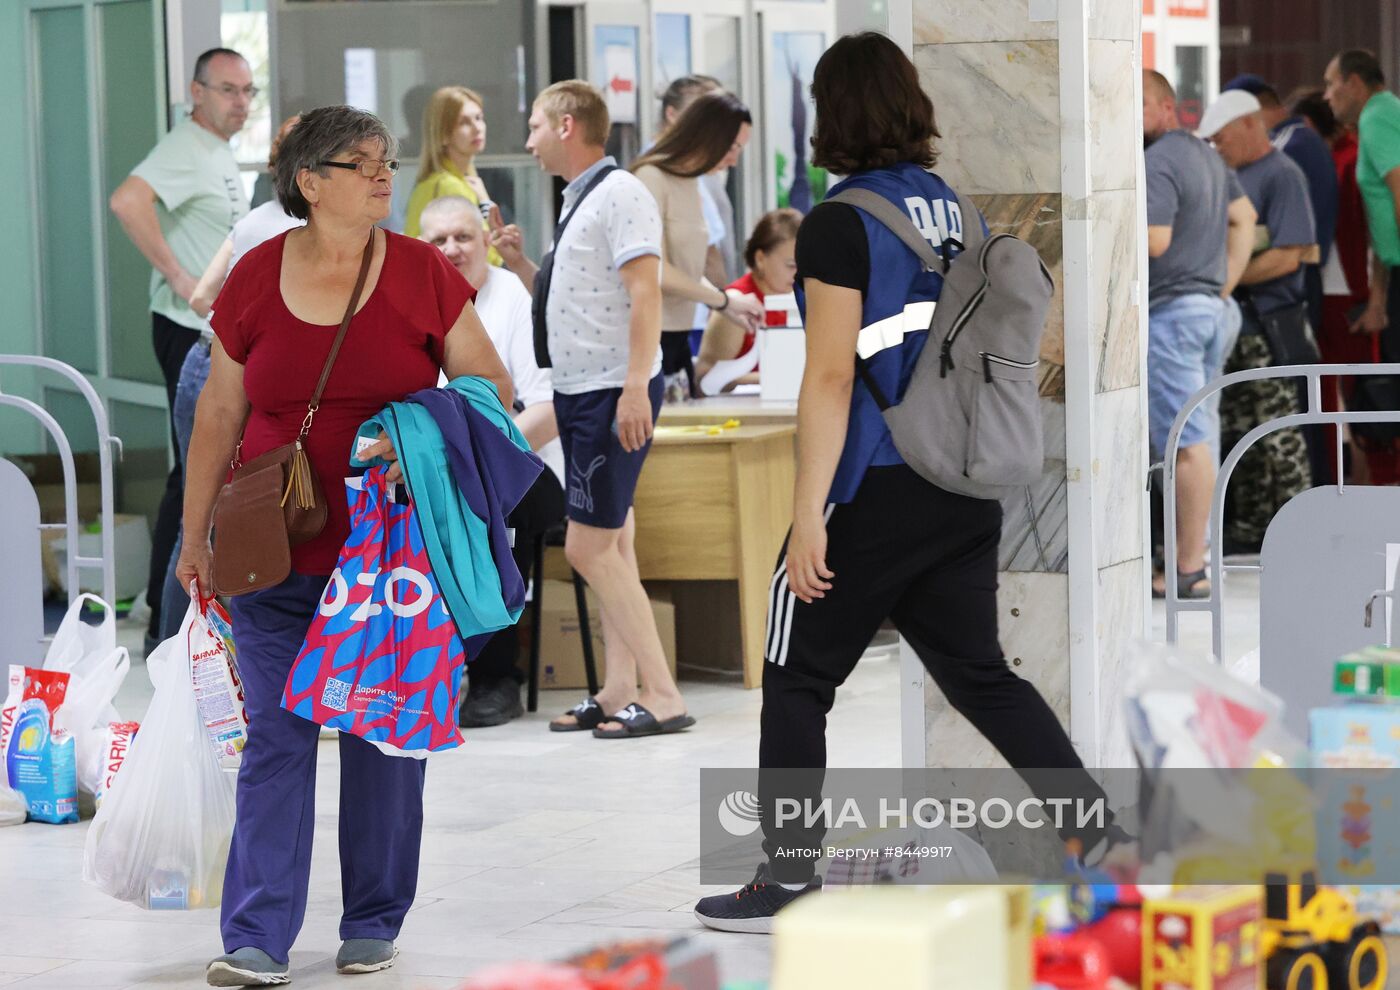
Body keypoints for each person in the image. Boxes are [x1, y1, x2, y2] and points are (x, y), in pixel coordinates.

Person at [693, 32, 1123, 934]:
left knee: (796, 675)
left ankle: (784, 876)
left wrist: (807, 515)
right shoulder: (951, 208)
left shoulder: (839, 222)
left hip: (877, 482)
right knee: (978, 672)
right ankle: (1095, 831)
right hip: (961, 481)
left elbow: (830, 377)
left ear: (831, 115)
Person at [175, 105, 512, 986]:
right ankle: (255, 934)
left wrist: (415, 434)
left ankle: (373, 915)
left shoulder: (419, 274)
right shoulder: (255, 275)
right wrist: (193, 534)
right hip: (272, 547)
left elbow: (490, 388)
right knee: (277, 737)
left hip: (391, 558)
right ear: (309, 181)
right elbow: (218, 413)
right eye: (359, 163)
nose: (381, 174)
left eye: (386, 160)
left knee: (381, 738)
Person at [508, 80, 692, 739]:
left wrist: (636, 386)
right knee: (614, 543)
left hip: (612, 396)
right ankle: (618, 688)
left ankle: (664, 694)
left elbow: (645, 294)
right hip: (586, 393)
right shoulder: (581, 199)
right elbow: (580, 303)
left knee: (588, 548)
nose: (526, 141)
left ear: (565, 126)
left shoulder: (620, 194)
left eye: (534, 126)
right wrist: (524, 265)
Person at [109, 47, 252, 652]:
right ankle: (164, 626)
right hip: (183, 325)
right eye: (227, 90)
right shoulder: (182, 146)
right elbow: (126, 201)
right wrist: (177, 276)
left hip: (211, 328)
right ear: (197, 92)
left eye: (248, 91)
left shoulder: (218, 152)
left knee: (196, 467)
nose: (240, 102)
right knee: (192, 471)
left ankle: (177, 617)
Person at [418, 194, 566, 726]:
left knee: (491, 510)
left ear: (486, 241)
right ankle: (411, 671)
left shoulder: (516, 301)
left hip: (528, 469)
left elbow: (548, 409)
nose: (452, 249)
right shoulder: (414, 304)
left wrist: (477, 460)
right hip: (440, 472)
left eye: (463, 237)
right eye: (439, 240)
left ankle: (496, 677)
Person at [157, 115, 305, 641]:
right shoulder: (293, 232)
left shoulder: (253, 219)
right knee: (226, 514)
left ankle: (175, 650)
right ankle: (200, 658)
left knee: (199, 513)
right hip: (234, 376)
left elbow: (200, 298)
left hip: (202, 358)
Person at [1142, 70, 1255, 600]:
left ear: (1168, 106)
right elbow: (1244, 217)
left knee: (1184, 444)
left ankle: (1188, 568)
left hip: (1173, 318)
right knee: (1198, 438)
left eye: (1140, 102)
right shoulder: (1205, 155)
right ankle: (1194, 557)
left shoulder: (1158, 158)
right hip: (1209, 312)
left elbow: (1155, 241)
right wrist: (1223, 287)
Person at [1199, 90, 1317, 555]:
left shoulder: (1282, 175)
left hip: (1267, 326)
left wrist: (1223, 281)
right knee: (1239, 434)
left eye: (1222, 138)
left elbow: (1290, 257)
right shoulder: (1228, 175)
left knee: (1277, 436)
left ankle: (1296, 531)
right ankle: (1250, 530)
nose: (1218, 147)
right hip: (1234, 327)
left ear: (1250, 125)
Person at [1292, 88, 1398, 484]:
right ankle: (1350, 481)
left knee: (1365, 392)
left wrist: (1376, 298)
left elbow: (1376, 230)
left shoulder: (1352, 157)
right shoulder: (1342, 157)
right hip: (1338, 289)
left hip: (1352, 292)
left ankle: (1368, 480)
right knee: (1346, 393)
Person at [629, 92, 764, 398]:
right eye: (732, 147)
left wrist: (724, 302)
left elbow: (686, 268)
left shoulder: (691, 182)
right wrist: (723, 301)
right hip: (650, 337)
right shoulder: (650, 178)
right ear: (707, 137)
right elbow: (656, 269)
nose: (734, 159)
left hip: (679, 332)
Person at [1224, 74, 1339, 339]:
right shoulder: (1303, 142)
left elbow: (1290, 249)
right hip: (1297, 277)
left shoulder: (1285, 151)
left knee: (1286, 374)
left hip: (1287, 285)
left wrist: (1226, 276)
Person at [1325, 50, 1400, 359]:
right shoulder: (1382, 112)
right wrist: (1378, 302)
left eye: (1331, 84)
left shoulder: (1377, 116)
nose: (1327, 96)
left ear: (1354, 83)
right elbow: (1383, 217)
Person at [694, 208, 802, 391]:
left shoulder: (797, 300)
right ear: (760, 259)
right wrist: (771, 378)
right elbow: (704, 378)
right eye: (791, 265)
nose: (798, 273)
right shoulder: (737, 306)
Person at [402, 85, 501, 266]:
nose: (477, 128)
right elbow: (487, 257)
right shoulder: (449, 186)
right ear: (444, 134)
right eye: (463, 122)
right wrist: (485, 203)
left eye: (479, 118)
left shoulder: (441, 182)